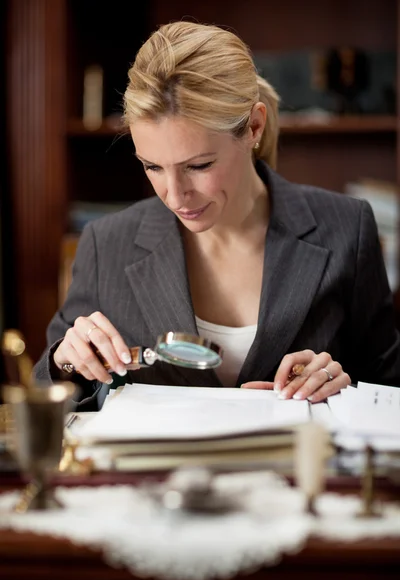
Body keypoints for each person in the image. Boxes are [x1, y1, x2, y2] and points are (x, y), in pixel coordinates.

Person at [34, 21, 400, 410]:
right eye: (152, 167)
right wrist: (65, 361)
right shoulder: (107, 243)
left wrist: (340, 383)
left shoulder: (346, 228)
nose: (174, 196)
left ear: (253, 127)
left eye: (199, 165)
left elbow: (388, 389)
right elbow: (42, 396)